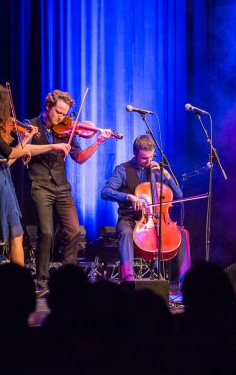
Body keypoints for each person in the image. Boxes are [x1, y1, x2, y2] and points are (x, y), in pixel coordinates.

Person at [0, 84, 69, 276]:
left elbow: (9, 160)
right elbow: (11, 152)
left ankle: (17, 283)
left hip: (3, 179)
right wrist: (29, 148)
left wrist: (28, 135)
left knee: (16, 234)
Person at [25, 90, 111, 291]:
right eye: (58, 112)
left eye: (64, 114)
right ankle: (42, 281)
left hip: (62, 188)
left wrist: (97, 141)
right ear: (48, 107)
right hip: (40, 185)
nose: (61, 117)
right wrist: (53, 147)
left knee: (73, 231)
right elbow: (24, 150)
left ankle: (67, 280)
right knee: (46, 233)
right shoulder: (31, 125)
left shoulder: (67, 129)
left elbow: (79, 158)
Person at [101, 134, 191, 282]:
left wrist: (167, 175)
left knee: (182, 233)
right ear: (135, 154)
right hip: (129, 217)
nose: (148, 162)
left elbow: (179, 194)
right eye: (144, 158)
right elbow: (105, 192)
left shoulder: (157, 170)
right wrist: (128, 197)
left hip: (157, 219)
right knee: (126, 233)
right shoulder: (123, 170)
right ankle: (128, 277)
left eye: (151, 157)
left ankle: (185, 281)